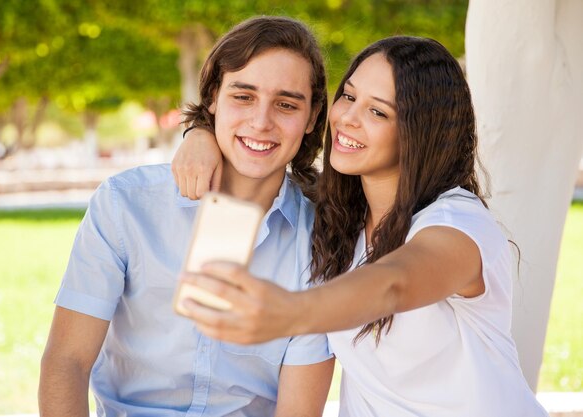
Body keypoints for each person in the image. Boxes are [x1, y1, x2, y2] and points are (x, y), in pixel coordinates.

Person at [173, 36, 549, 417]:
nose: (348, 119)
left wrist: (290, 311)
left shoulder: (458, 224)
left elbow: (394, 283)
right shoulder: (337, 219)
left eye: (379, 112)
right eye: (349, 97)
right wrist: (199, 134)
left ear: (420, 134)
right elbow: (255, 157)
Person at [38, 16, 335, 417]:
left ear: (314, 116)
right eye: (243, 96)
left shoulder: (319, 238)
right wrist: (198, 132)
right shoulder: (126, 205)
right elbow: (66, 362)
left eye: (286, 104)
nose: (261, 122)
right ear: (213, 97)